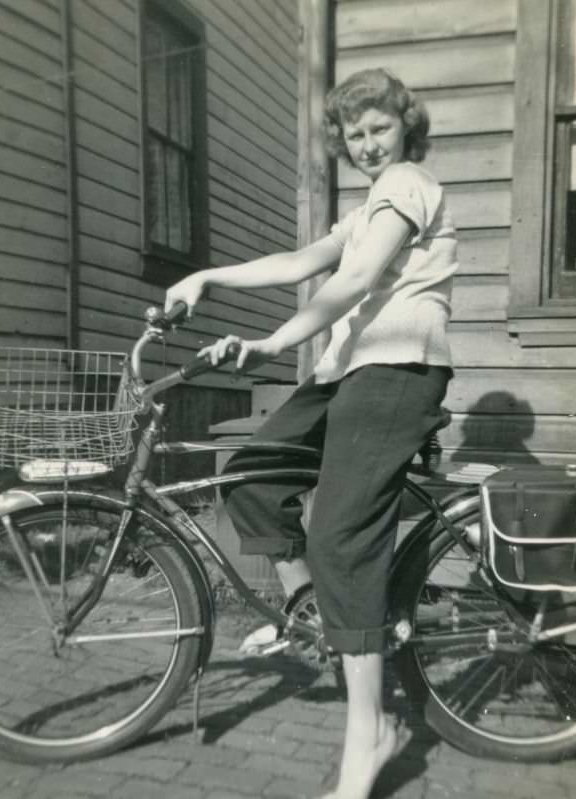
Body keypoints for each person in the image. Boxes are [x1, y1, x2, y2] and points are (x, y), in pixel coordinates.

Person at [165, 67, 458, 799]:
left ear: (405, 126)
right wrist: (209, 275)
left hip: (397, 371)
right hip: (346, 371)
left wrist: (271, 343)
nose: (365, 144)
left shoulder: (410, 184)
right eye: (353, 135)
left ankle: (372, 734)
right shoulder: (366, 208)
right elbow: (302, 262)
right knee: (254, 476)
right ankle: (317, 616)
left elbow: (356, 282)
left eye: (378, 129)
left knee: (341, 537)